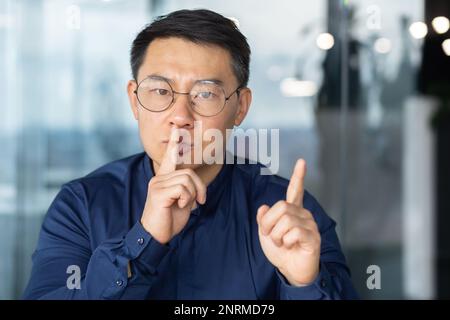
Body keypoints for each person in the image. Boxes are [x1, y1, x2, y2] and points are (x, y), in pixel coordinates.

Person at [23, 9, 357, 299]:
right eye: (159, 91)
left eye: (205, 94)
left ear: (240, 107)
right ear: (134, 99)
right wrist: (144, 239)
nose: (180, 115)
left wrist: (304, 283)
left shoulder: (289, 213)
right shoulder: (80, 206)